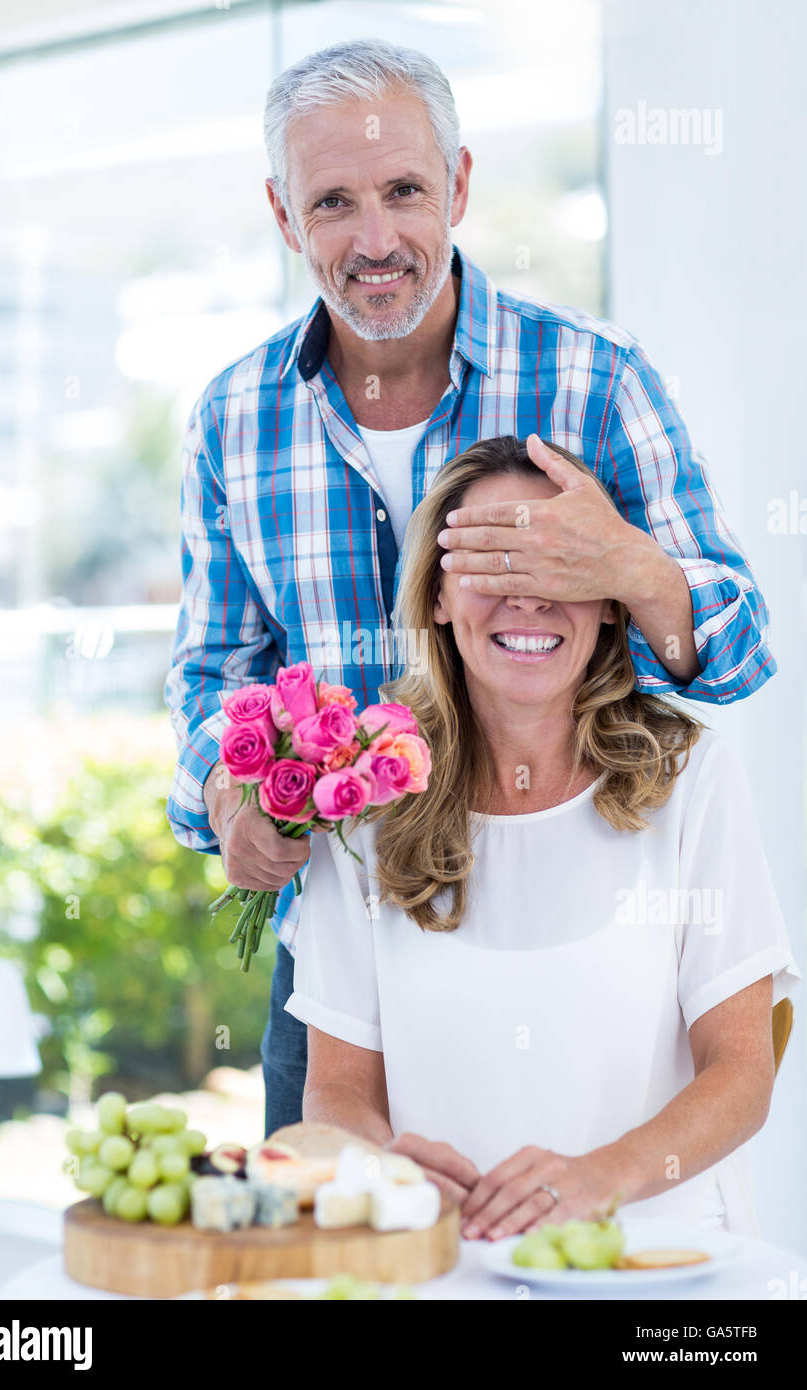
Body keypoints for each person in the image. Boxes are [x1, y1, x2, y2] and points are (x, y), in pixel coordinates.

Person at [163, 39, 775, 1137]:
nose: (375, 238)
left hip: (570, 936)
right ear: (282, 213)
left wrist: (626, 567)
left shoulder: (595, 379)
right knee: (339, 1257)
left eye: (403, 189)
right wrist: (225, 793)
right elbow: (214, 671)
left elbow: (735, 651)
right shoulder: (233, 418)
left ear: (456, 182)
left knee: (569, 1239)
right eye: (333, 202)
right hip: (344, 965)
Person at [285, 435, 800, 1238]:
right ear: (436, 599)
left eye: (556, 565)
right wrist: (389, 1170)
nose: (526, 597)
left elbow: (742, 1073)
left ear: (607, 600)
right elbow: (336, 1090)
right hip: (452, 1269)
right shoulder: (360, 804)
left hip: (657, 1272)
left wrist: (600, 1179)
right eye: (492, 563)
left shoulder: (692, 779)